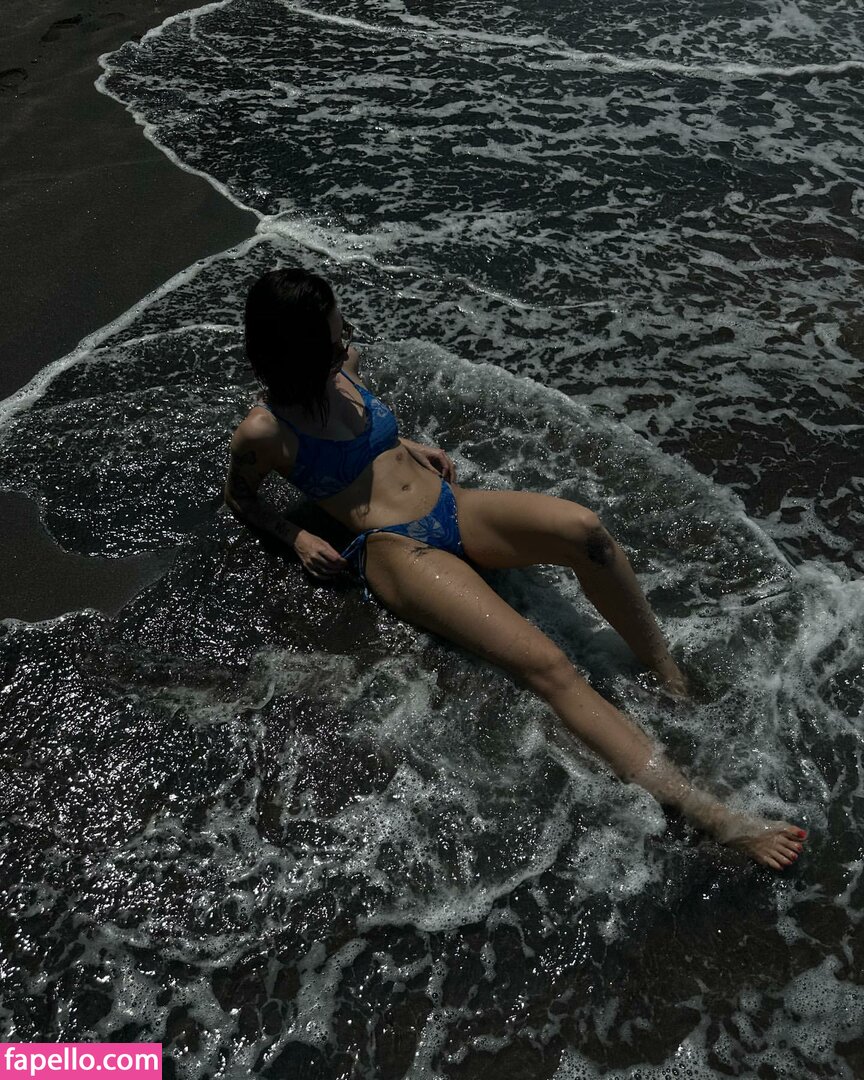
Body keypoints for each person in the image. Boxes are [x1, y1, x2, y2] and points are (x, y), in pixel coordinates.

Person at [224, 267, 807, 870]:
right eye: (330, 337)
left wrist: (405, 445)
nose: (344, 339)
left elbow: (366, 436)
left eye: (340, 327)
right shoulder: (265, 431)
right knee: (549, 666)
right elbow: (240, 498)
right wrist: (296, 537)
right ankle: (711, 816)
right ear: (296, 352)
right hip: (399, 551)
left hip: (452, 506)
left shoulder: (346, 366)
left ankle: (669, 677)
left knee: (586, 531)